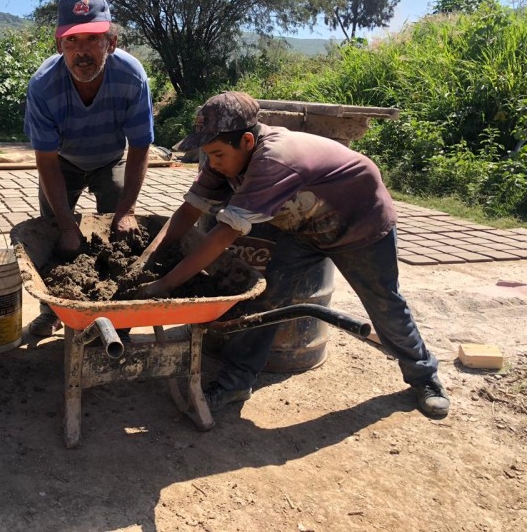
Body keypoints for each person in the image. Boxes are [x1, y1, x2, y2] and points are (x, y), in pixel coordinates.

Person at [136, 90, 451, 418]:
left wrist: (165, 284)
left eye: (216, 154)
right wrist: (148, 259)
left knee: (385, 304)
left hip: (360, 225)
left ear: (246, 141)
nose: (212, 163)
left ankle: (424, 378)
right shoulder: (225, 157)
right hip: (303, 229)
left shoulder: (273, 159)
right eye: (207, 154)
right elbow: (188, 211)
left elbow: (222, 235)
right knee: (264, 297)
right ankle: (235, 381)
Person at [23, 0, 155, 337]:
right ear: (59, 47)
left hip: (109, 158)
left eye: (92, 39)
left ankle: (117, 307)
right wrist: (67, 226)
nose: (82, 51)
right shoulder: (43, 86)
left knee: (120, 225)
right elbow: (47, 161)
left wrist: (127, 209)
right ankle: (53, 310)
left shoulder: (131, 76)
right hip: (62, 162)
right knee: (55, 229)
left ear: (110, 42)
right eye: (72, 41)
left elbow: (141, 146)